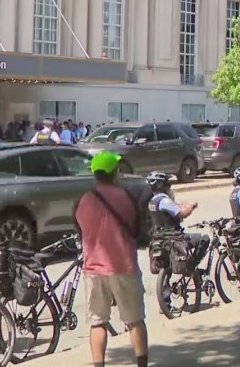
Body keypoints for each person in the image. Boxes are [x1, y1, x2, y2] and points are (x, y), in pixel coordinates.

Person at [72, 151, 148, 367]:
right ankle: (141, 363)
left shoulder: (84, 200)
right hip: (124, 266)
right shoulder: (127, 197)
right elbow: (136, 229)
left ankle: (99, 364)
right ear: (114, 173)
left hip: (94, 269)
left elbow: (80, 229)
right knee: (135, 320)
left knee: (98, 323)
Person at [145, 171, 210, 264]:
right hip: (172, 236)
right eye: (167, 183)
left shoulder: (152, 201)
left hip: (159, 236)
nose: (169, 185)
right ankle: (193, 264)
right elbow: (183, 213)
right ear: (162, 185)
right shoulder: (164, 201)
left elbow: (169, 210)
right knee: (204, 239)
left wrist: (181, 204)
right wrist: (192, 206)